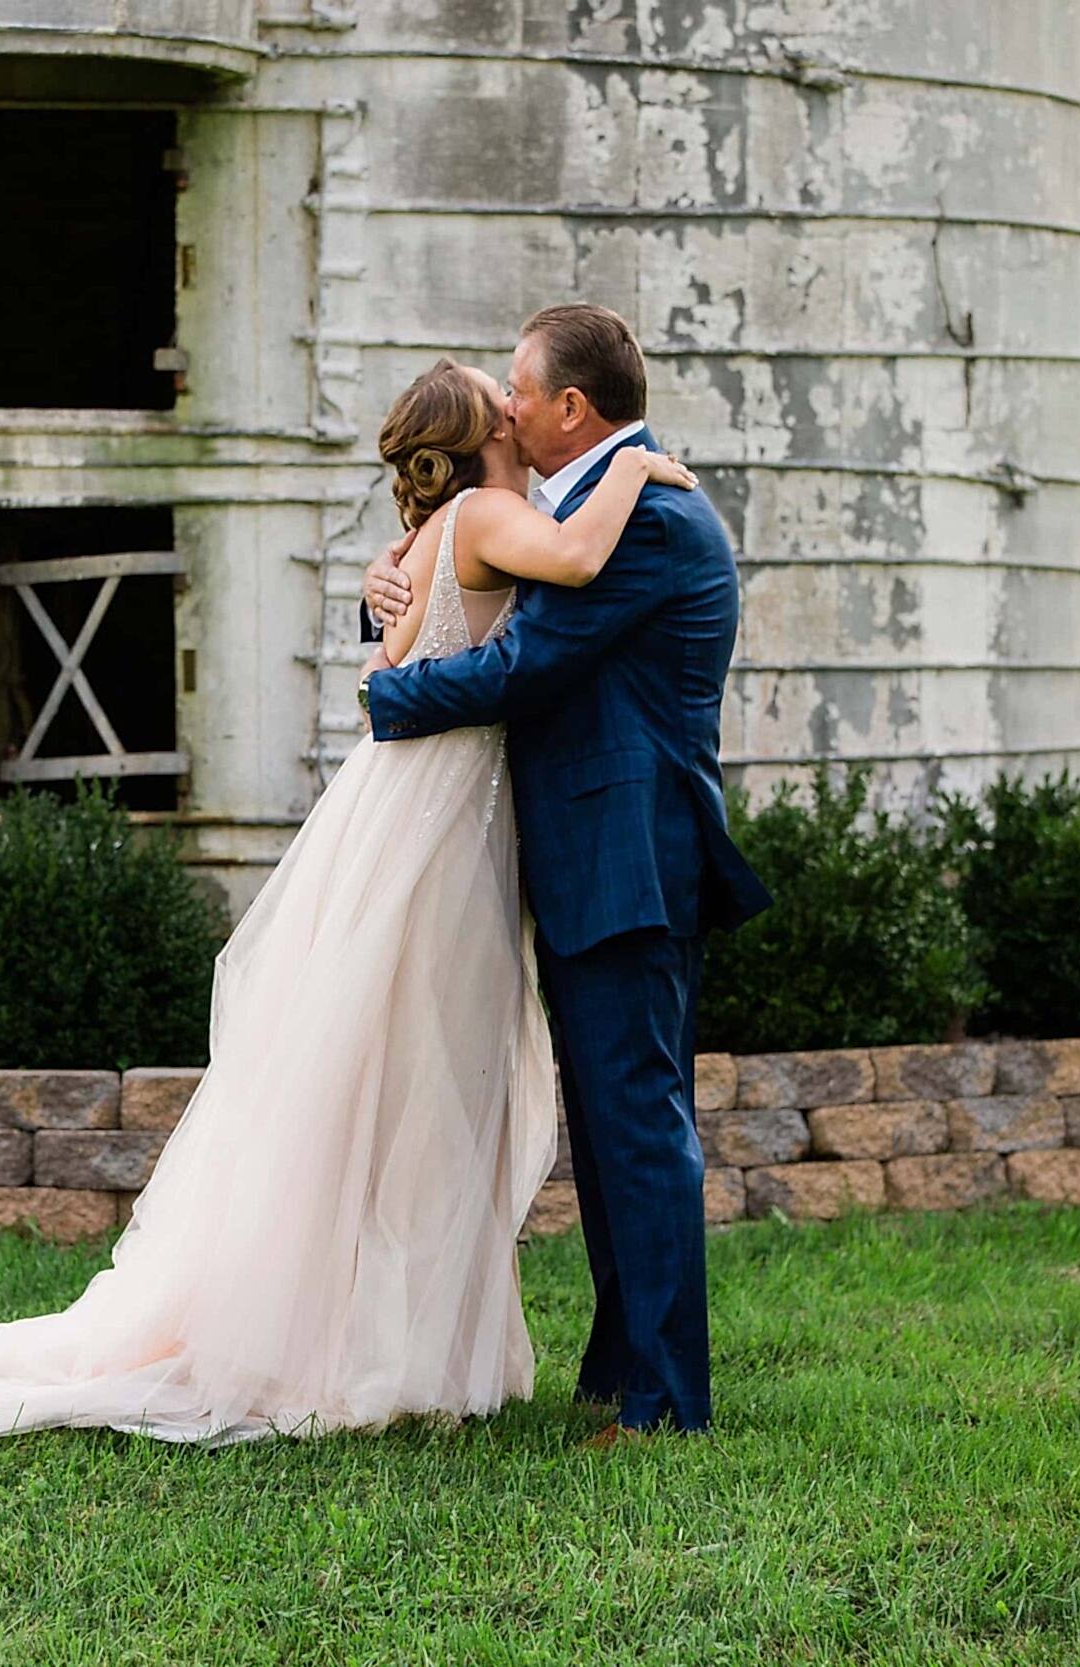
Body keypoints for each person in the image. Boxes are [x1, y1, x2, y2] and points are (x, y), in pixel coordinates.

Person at [0, 350, 700, 1449]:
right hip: (438, 822)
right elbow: (560, 573)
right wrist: (640, 469)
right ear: (484, 429)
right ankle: (375, 1346)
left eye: (520, 380)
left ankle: (396, 1337)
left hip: (423, 814)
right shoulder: (509, 517)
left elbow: (460, 617)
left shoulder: (443, 530)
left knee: (394, 1074)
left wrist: (392, 611)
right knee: (413, 1077)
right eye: (498, 389)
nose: (512, 397)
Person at [360, 302, 772, 1440]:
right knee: (611, 1121)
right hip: (594, 856)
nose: (506, 401)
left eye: (519, 388)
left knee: (637, 1124)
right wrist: (383, 580)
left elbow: (525, 661)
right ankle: (616, 1366)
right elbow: (482, 569)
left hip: (628, 858)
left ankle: (663, 1404)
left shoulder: (644, 516)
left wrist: (379, 693)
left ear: (571, 409)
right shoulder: (578, 501)